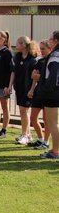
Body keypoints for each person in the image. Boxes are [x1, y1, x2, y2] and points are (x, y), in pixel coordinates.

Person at [12, 36, 39, 145]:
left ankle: (25, 134)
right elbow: (13, 71)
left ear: (23, 45)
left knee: (24, 111)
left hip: (27, 88)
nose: (16, 46)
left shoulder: (32, 59)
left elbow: (34, 77)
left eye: (18, 44)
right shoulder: (17, 57)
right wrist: (10, 85)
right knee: (23, 111)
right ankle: (27, 135)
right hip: (19, 87)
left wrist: (32, 89)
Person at [37, 31, 59, 160]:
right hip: (54, 92)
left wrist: (46, 90)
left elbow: (53, 76)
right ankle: (54, 150)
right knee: (52, 122)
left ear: (56, 41)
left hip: (53, 94)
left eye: (51, 39)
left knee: (53, 123)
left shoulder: (55, 56)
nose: (49, 40)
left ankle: (55, 151)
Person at [27, 40, 51, 149]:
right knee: (33, 118)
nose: (41, 51)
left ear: (50, 48)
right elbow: (34, 77)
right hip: (38, 92)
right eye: (40, 48)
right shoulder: (40, 61)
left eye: (43, 49)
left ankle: (46, 142)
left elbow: (50, 79)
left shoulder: (52, 62)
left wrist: (39, 77)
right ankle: (40, 138)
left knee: (47, 120)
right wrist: (31, 90)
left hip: (48, 93)